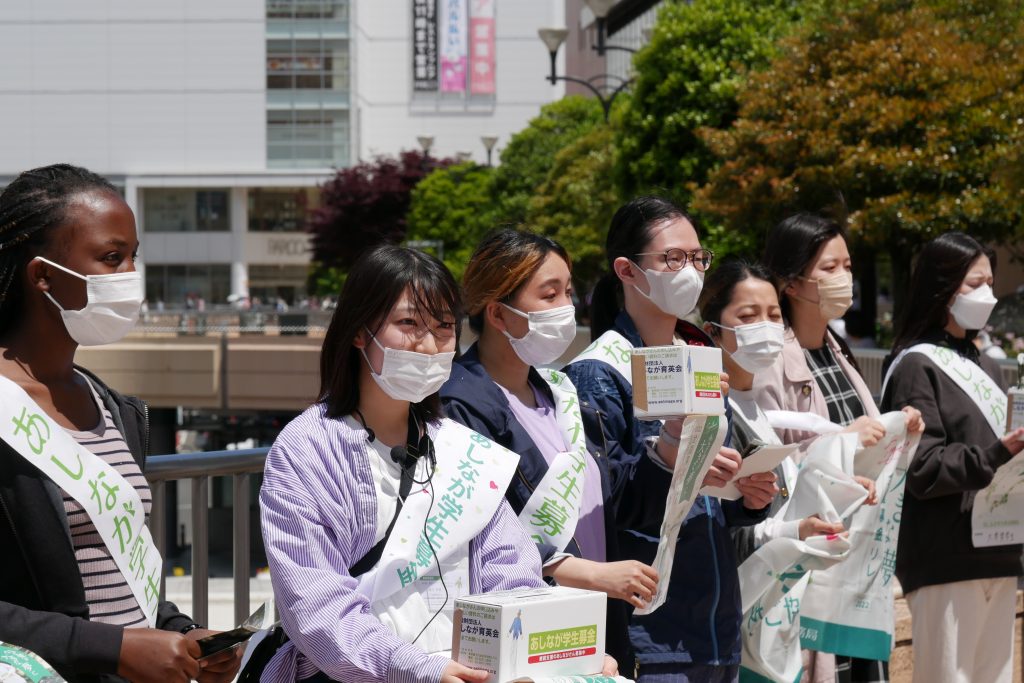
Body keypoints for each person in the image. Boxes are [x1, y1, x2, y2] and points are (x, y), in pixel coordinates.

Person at [259, 245, 616, 682]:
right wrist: (417, 670)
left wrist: (568, 654)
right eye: (408, 323)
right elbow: (317, 609)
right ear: (358, 331)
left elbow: (513, 578)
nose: (429, 344)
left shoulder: (464, 450)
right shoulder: (306, 450)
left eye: (444, 327)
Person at [0, 164, 242, 683]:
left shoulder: (113, 408)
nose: (131, 275)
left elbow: (118, 577)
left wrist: (181, 633)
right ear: (42, 275)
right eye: (112, 258)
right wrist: (111, 648)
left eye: (134, 256)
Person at [564, 196, 778, 682]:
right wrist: (668, 456)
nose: (691, 271)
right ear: (627, 270)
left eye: (698, 258)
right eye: (672, 259)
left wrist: (743, 495)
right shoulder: (601, 371)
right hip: (653, 630)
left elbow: (704, 497)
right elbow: (606, 507)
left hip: (715, 624)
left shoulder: (698, 357)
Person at [442, 228, 659, 666]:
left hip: (596, 624)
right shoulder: (458, 404)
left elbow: (612, 499)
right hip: (530, 638)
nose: (567, 307)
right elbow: (476, 542)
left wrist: (675, 444)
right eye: (549, 294)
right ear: (498, 315)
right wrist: (593, 574)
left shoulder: (562, 394)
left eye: (568, 291)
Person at [754, 213, 923, 683]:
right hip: (809, 567)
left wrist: (897, 427)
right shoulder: (772, 362)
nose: (844, 278)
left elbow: (863, 440)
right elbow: (770, 468)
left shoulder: (836, 346)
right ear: (790, 282)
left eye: (847, 264)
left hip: (857, 561)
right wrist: (845, 441)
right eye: (829, 267)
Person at [881, 232, 1024, 683]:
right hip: (943, 557)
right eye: (973, 284)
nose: (986, 295)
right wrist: (997, 453)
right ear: (942, 289)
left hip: (998, 548)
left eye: (989, 282)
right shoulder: (915, 366)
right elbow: (921, 467)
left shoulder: (986, 364)